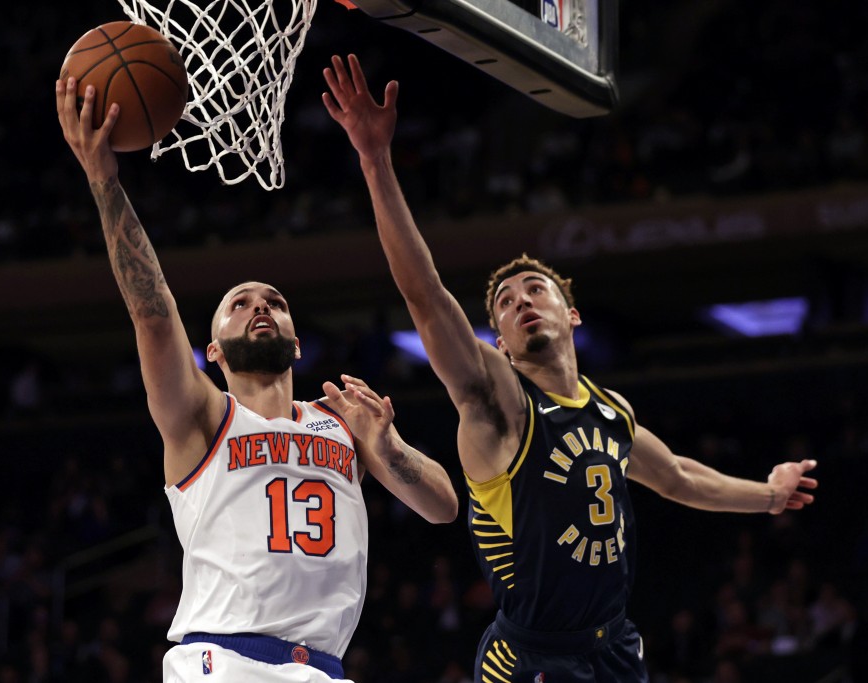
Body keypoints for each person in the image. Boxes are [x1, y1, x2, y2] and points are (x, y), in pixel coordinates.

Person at [322, 54, 820, 682]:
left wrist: (769, 495)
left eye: (535, 290)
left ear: (572, 314)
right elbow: (426, 296)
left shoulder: (611, 411)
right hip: (531, 656)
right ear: (501, 344)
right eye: (506, 304)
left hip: (614, 647)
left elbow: (678, 476)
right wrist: (375, 160)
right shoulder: (499, 404)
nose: (521, 302)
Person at [55, 74, 459, 683]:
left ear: (296, 342)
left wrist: (390, 446)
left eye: (274, 302)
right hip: (223, 661)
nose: (260, 306)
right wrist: (103, 179)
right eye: (239, 304)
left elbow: (444, 507)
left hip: (323, 668)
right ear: (214, 351)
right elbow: (153, 313)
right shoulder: (203, 416)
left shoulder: (343, 423)